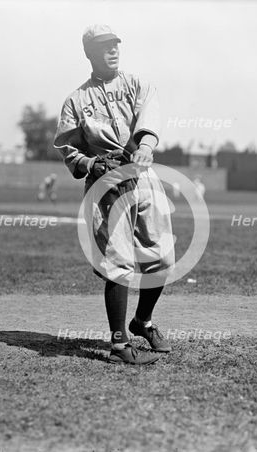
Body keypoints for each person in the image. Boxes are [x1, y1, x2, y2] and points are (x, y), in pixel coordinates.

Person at [53, 25, 175, 365]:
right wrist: (91, 164)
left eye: (116, 44)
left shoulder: (137, 84)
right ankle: (119, 345)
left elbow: (149, 121)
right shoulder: (76, 99)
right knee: (118, 263)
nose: (113, 50)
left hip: (142, 175)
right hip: (106, 185)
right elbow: (67, 147)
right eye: (104, 46)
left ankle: (143, 322)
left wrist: (146, 147)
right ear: (89, 53)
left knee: (162, 259)